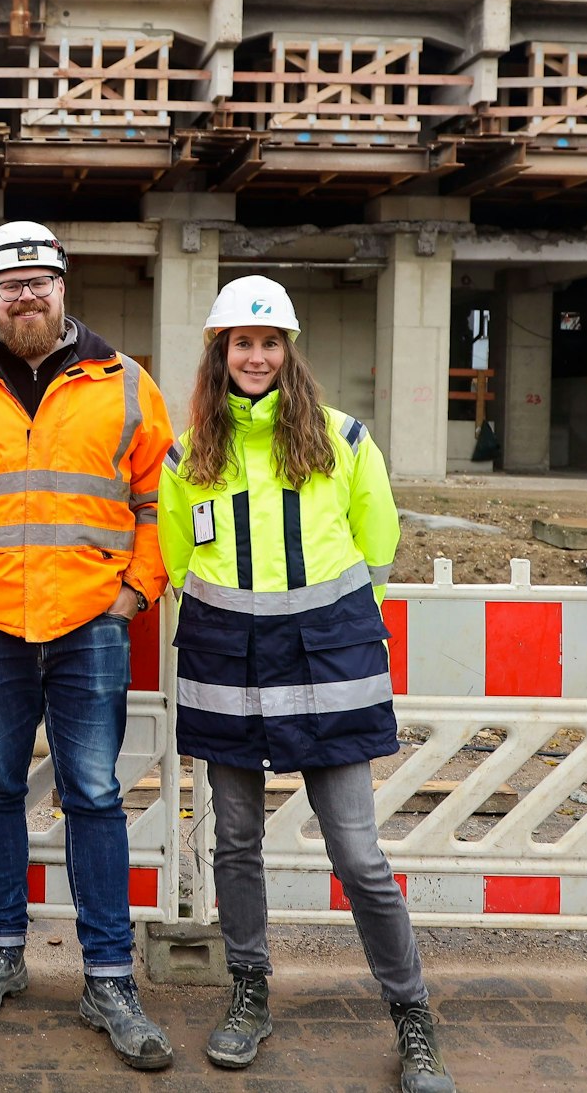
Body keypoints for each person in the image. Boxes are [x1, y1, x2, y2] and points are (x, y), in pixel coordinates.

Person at [155, 275, 454, 1092]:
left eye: (269, 342)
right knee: (235, 842)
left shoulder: (344, 438)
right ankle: (249, 991)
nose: (256, 356)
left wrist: (335, 628)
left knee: (357, 853)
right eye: (241, 343)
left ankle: (412, 1014)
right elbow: (178, 562)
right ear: (220, 353)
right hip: (228, 664)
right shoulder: (187, 455)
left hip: (329, 662)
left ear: (289, 351)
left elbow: (377, 545)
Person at [0, 221, 176, 1070]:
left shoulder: (125, 383)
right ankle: (2, 952)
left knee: (95, 793)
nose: (25, 295)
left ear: (63, 287)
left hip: (91, 621)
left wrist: (135, 590)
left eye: (39, 281)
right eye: (8, 284)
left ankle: (108, 977)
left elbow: (158, 500)